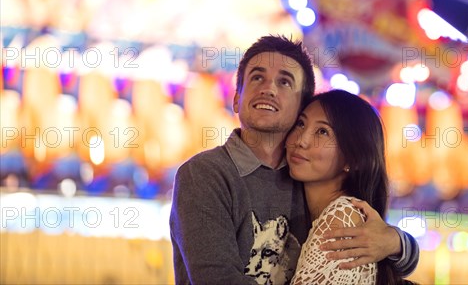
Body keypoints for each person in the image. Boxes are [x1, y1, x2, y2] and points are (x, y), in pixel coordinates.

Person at [170, 35, 419, 284]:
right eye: (257, 77)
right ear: (237, 99)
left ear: (301, 105)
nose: (268, 89)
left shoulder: (308, 174)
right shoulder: (205, 175)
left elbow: (369, 255)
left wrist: (396, 242)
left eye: (285, 82)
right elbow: (216, 279)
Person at [288, 89, 409, 284]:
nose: (301, 141)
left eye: (322, 132)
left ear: (352, 159)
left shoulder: (341, 220)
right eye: (301, 124)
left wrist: (398, 243)